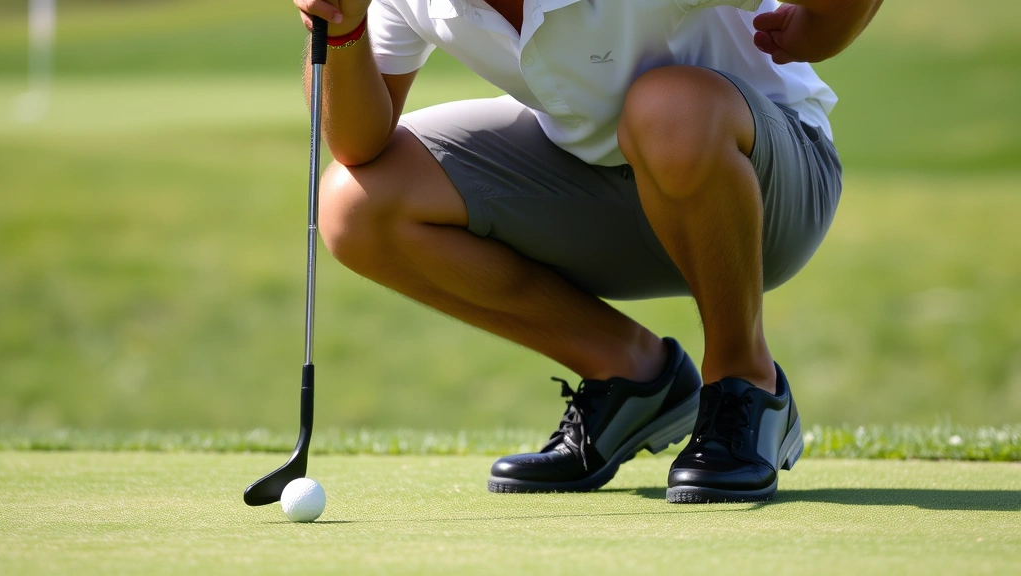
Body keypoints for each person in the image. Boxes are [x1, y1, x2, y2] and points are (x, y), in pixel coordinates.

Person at [293, 0, 882, 502]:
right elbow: (356, 141)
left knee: (668, 107)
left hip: (768, 193)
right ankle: (633, 377)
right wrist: (345, 27)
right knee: (355, 207)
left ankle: (746, 383)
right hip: (602, 182)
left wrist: (818, 33)